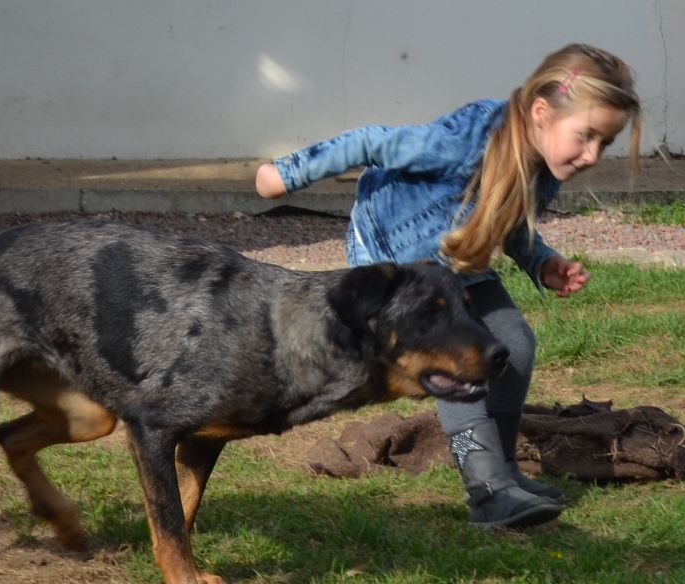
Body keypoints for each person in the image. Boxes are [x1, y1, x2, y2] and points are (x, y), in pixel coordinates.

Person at [256, 43, 641, 529]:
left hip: (459, 263)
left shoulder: (544, 161)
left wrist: (543, 263)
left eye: (603, 144)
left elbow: (511, 219)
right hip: (395, 259)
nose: (591, 155)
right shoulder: (465, 138)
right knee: (458, 366)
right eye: (586, 136)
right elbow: (373, 141)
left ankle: (499, 472)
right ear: (541, 112)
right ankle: (484, 490)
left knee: (513, 346)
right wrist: (284, 174)